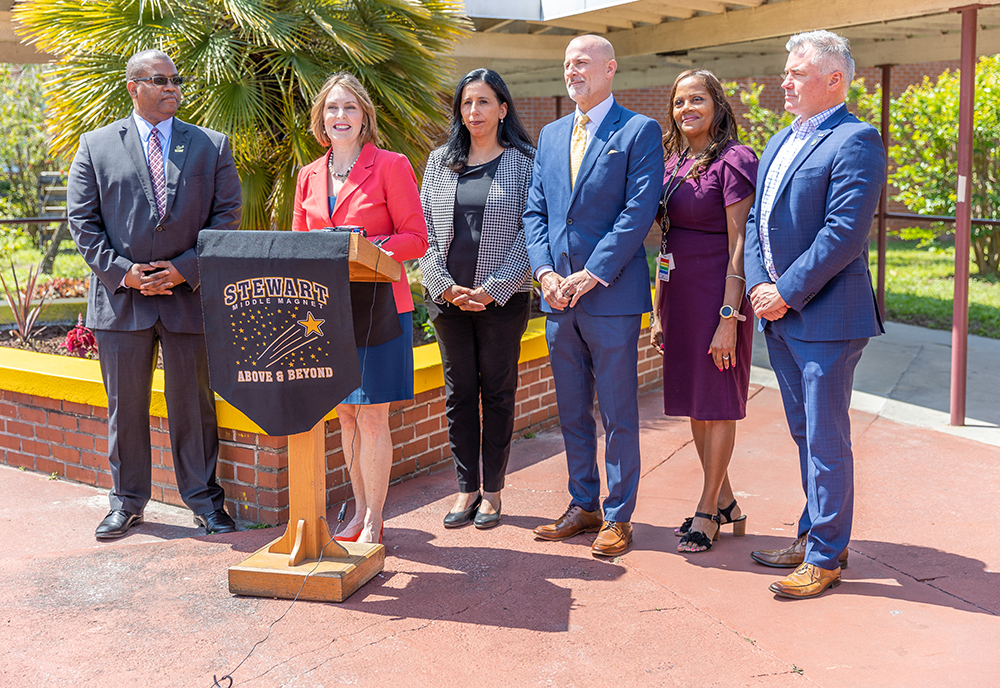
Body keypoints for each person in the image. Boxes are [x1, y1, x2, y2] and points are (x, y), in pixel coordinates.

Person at [67, 49, 242, 539]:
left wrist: (185, 269)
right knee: (126, 408)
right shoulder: (95, 145)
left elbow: (226, 217)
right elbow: (83, 223)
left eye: (176, 80)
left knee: (194, 406)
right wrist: (125, 274)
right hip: (121, 300)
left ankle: (205, 502)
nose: (172, 87)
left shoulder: (210, 145)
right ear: (133, 87)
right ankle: (126, 503)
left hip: (188, 298)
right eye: (159, 80)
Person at [744, 30, 886, 598]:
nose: (785, 81)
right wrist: (758, 285)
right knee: (805, 434)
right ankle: (812, 533)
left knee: (826, 438)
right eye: (787, 71)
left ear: (835, 79)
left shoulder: (856, 139)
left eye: (797, 72)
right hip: (779, 314)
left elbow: (844, 234)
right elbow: (756, 222)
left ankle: (827, 555)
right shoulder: (781, 140)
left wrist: (786, 291)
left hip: (826, 316)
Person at [523, 35, 664, 556]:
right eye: (566, 64)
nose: (572, 71)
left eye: (581, 62)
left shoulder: (639, 131)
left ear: (610, 69)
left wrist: (592, 274)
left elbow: (637, 213)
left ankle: (618, 515)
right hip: (558, 298)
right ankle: (582, 504)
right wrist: (543, 274)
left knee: (619, 412)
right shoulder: (551, 134)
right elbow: (536, 213)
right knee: (572, 410)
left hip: (610, 297)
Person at [292, 72, 428, 545]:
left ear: (365, 116)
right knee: (346, 416)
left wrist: (361, 247)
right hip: (326, 311)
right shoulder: (308, 175)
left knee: (372, 416)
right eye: (332, 108)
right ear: (320, 119)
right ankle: (356, 512)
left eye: (349, 108)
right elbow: (298, 246)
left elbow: (416, 238)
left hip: (381, 306)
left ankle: (374, 517)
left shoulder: (391, 165)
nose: (340, 116)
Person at [419, 69, 535, 530]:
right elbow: (423, 230)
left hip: (502, 302)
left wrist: (493, 288)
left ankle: (493, 492)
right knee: (459, 394)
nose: (474, 112)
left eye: (484, 102)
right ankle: (466, 488)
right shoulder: (439, 161)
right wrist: (442, 283)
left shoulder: (525, 163)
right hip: (447, 300)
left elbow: (531, 235)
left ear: (502, 109)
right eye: (467, 103)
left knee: (498, 394)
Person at [648, 70, 758, 553]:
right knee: (695, 401)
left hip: (719, 294)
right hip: (680, 295)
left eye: (697, 99)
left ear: (717, 104)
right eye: (678, 101)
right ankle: (727, 500)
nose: (686, 108)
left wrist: (729, 317)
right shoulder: (670, 162)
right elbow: (665, 241)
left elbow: (741, 244)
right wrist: (658, 310)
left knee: (716, 403)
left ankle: (707, 509)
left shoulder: (735, 161)